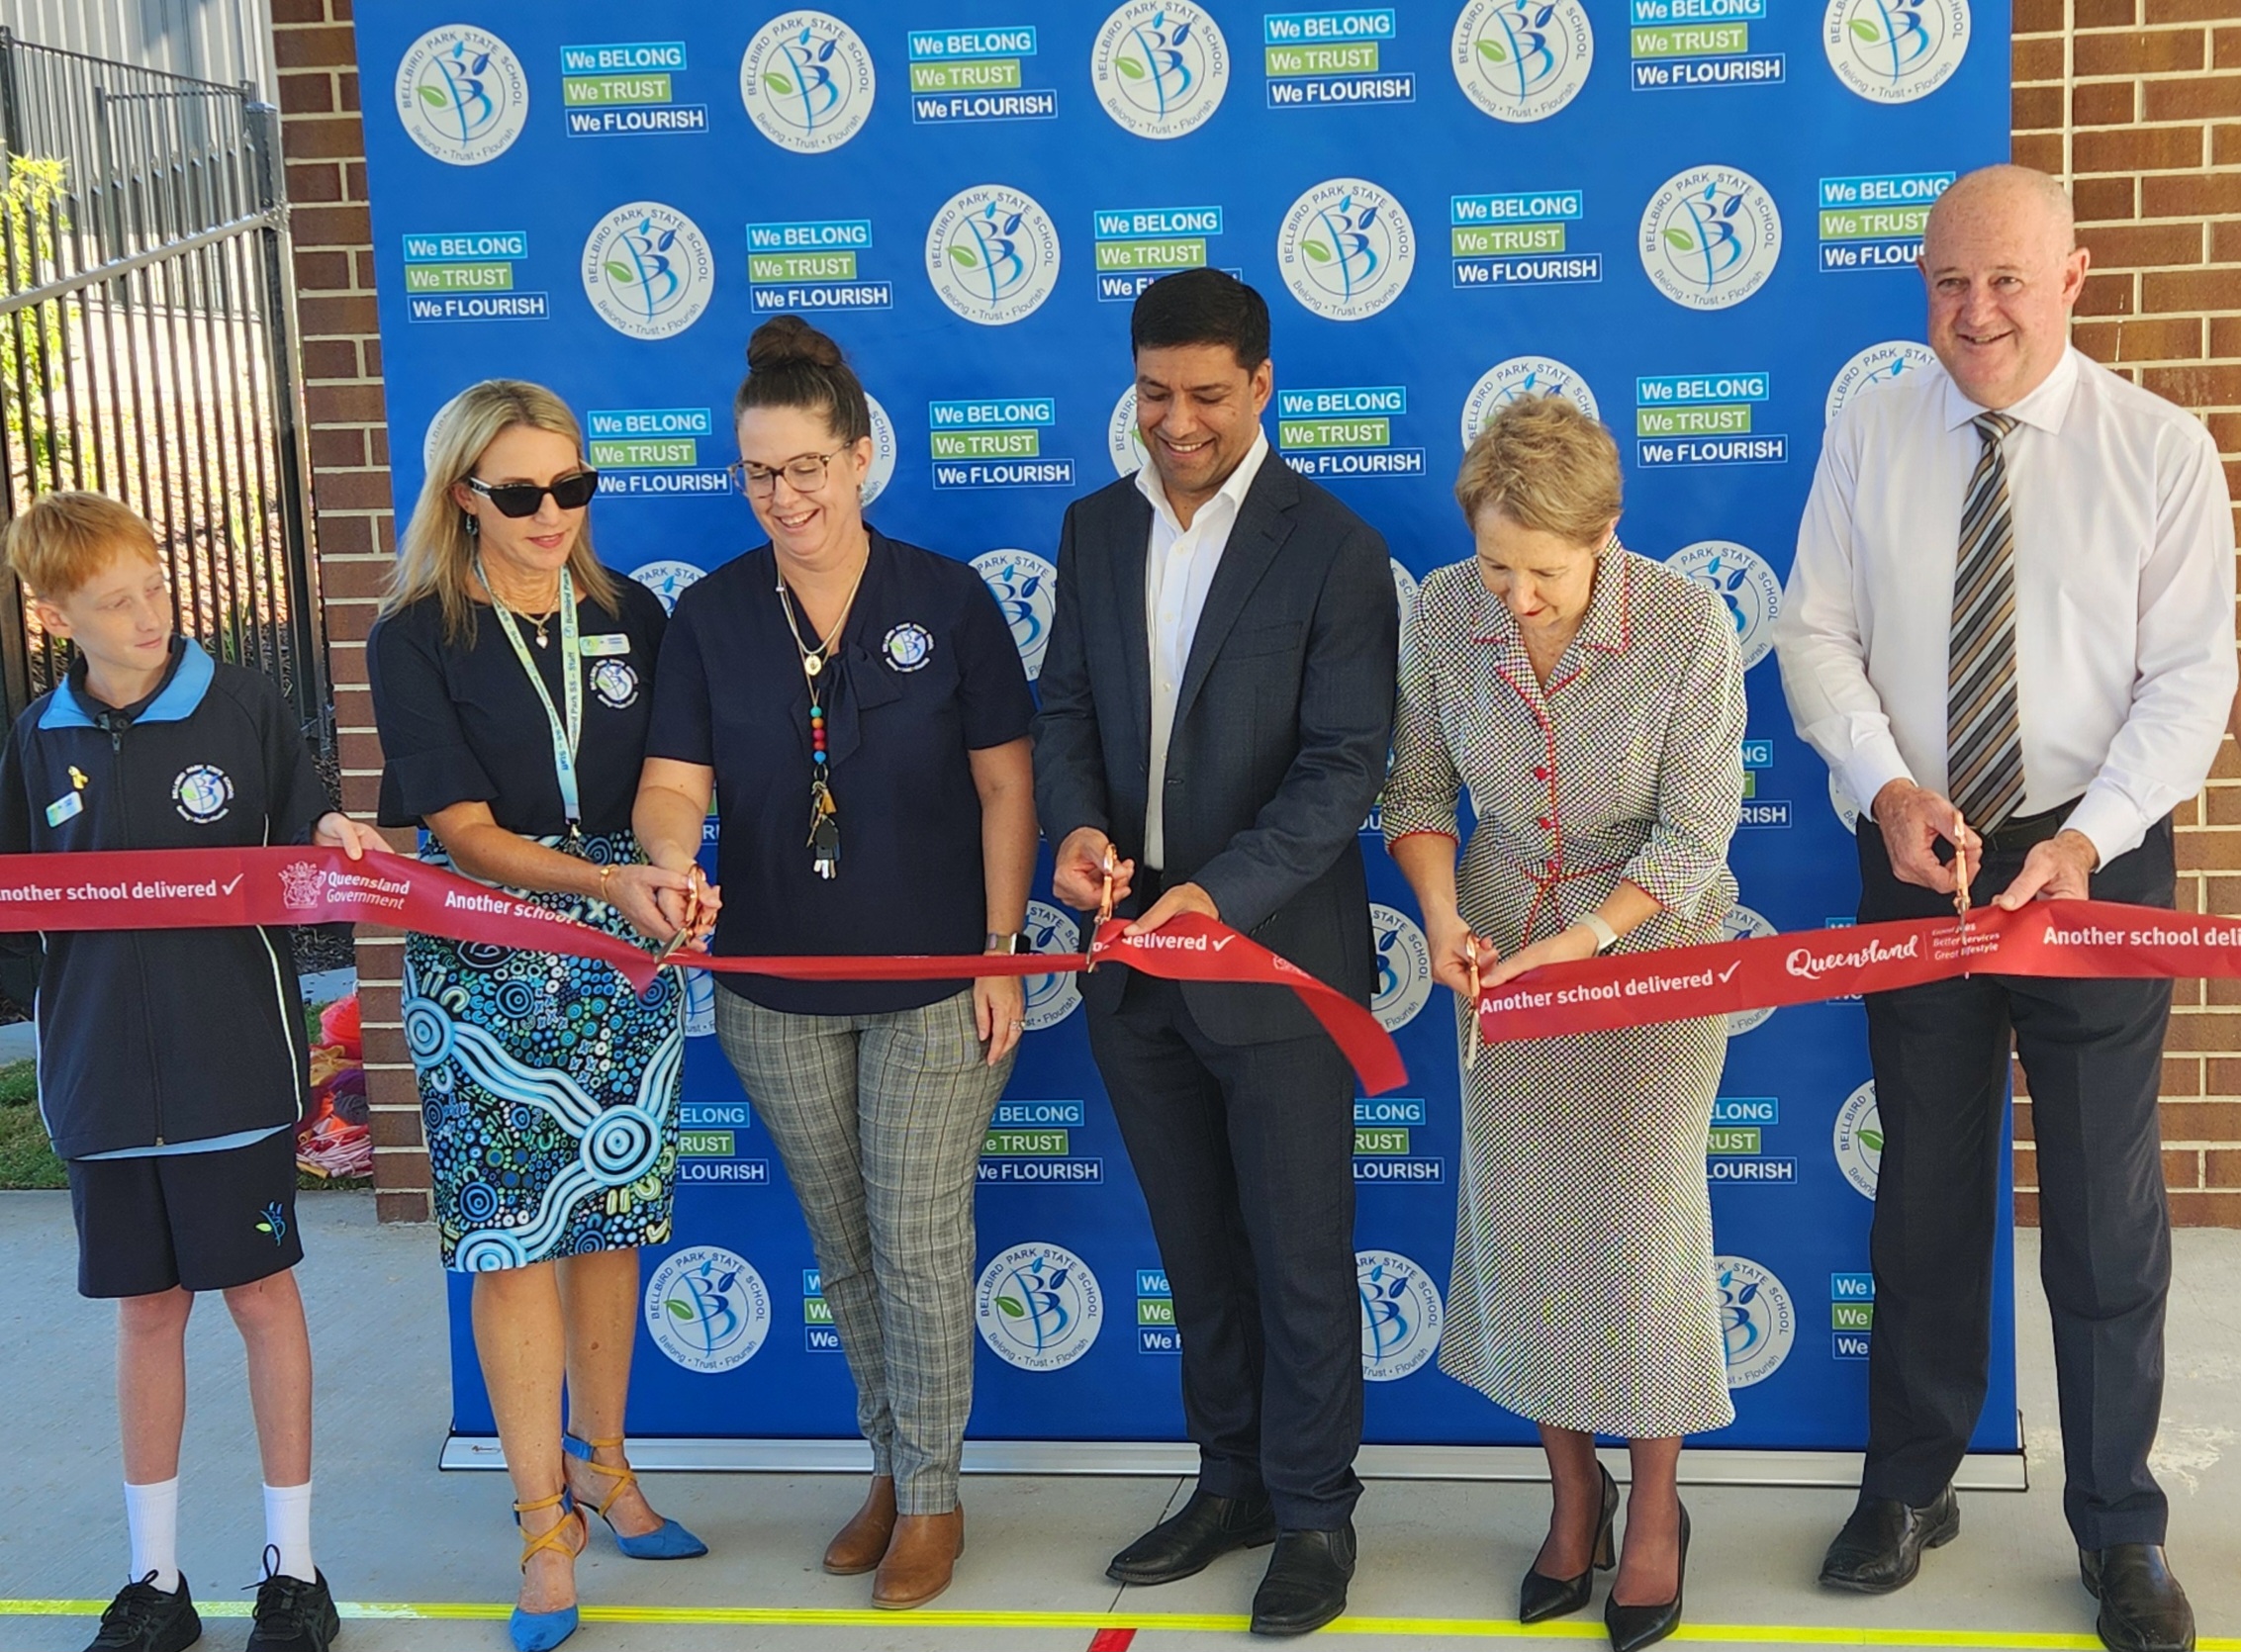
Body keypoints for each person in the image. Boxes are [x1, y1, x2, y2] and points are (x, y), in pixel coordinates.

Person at [1774, 164, 2235, 1652]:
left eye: (2006, 282)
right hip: (1918, 847)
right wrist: (1884, 784)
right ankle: (1911, 1483)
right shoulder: (1870, 424)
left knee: (2103, 1213)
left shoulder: (2158, 450)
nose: (1972, 313)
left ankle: (2118, 1531)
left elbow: (2189, 681)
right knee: (1921, 1188)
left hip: (2089, 865)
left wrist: (2091, 838)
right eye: (1945, 281)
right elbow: (1814, 629)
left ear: (2074, 276)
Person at [635, 315, 1037, 1611]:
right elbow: (670, 784)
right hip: (773, 993)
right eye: (758, 472)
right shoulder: (707, 615)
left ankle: (931, 1498)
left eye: (807, 465)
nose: (784, 495)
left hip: (934, 986)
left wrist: (997, 951)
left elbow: (1004, 788)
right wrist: (665, 862)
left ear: (861, 458)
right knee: (846, 1246)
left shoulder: (948, 598)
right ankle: (889, 1465)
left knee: (918, 1241)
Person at [1032, 267, 1397, 1638]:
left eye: (1201, 395)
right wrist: (1075, 835)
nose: (1172, 423)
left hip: (1277, 964)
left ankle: (1313, 1515)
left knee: (1300, 1249)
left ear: (1260, 387)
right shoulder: (1089, 528)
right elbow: (1063, 704)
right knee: (1194, 1247)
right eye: (1150, 393)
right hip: (1133, 966)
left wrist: (1220, 896)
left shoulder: (1336, 547)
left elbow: (1341, 766)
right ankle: (1231, 1478)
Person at [1383, 397, 1743, 1652]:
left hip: (1646, 947)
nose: (1518, 597)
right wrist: (1441, 918)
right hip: (1500, 946)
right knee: (1528, 1224)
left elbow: (1695, 839)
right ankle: (1571, 1488)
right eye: (1497, 565)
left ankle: (1656, 1504)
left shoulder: (1689, 625)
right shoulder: (1440, 609)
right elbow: (1420, 790)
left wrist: (1585, 942)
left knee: (1640, 1230)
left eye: (1545, 570)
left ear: (1607, 539)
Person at [0, 491, 381, 1652]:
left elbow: (310, 818)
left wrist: (329, 834)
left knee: (262, 1298)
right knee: (146, 1313)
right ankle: (154, 1579)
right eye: (117, 602)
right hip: (101, 1086)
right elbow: (19, 918)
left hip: (232, 1077)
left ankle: (293, 1571)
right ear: (54, 609)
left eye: (157, 584)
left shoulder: (242, 701)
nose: (150, 613)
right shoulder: (35, 737)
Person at [367, 381, 709, 1652]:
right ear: (464, 495)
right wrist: (608, 880)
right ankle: (538, 1519)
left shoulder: (634, 616)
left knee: (612, 1218)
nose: (552, 512)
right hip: (490, 954)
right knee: (512, 1241)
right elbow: (459, 831)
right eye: (520, 493)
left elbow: (675, 781)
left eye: (573, 486)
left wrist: (661, 870)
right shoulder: (413, 634)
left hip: (626, 952)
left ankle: (609, 1468)